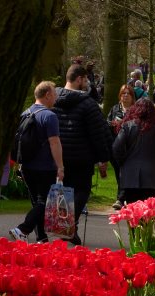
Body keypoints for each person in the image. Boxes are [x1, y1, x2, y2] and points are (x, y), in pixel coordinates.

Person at [51, 63, 112, 244]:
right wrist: (103, 158)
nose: (87, 83)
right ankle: (68, 225)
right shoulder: (87, 104)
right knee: (82, 191)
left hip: (60, 155)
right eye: (85, 79)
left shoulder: (53, 100)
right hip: (82, 156)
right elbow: (98, 133)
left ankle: (69, 228)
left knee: (64, 192)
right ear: (79, 79)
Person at [9, 81, 65, 243]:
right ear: (47, 95)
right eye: (54, 94)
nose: (56, 97)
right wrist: (60, 166)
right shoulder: (49, 116)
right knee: (46, 203)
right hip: (45, 166)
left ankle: (42, 238)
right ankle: (23, 229)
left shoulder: (24, 113)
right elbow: (54, 142)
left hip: (27, 166)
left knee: (37, 203)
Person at [112, 98, 155, 203]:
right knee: (149, 214)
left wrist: (123, 162)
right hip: (152, 177)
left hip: (130, 176)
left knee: (133, 213)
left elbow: (116, 147)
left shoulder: (127, 126)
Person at [107, 84, 137, 208]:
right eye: (123, 93)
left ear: (132, 96)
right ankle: (123, 197)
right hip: (116, 146)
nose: (125, 96)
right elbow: (107, 123)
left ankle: (121, 198)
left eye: (128, 93)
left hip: (130, 147)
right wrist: (112, 124)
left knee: (125, 172)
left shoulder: (135, 110)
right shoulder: (114, 109)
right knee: (119, 172)